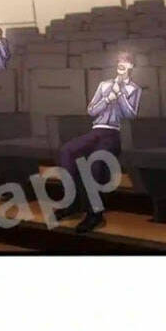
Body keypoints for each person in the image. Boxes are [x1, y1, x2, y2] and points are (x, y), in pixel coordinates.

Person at [58, 52, 142, 234]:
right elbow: (91, 110)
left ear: (131, 67)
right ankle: (72, 202)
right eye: (119, 61)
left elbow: (130, 115)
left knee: (95, 161)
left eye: (126, 62)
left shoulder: (134, 89)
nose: (122, 64)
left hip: (116, 133)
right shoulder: (104, 85)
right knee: (67, 150)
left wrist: (120, 95)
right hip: (96, 130)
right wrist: (107, 99)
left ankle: (94, 214)